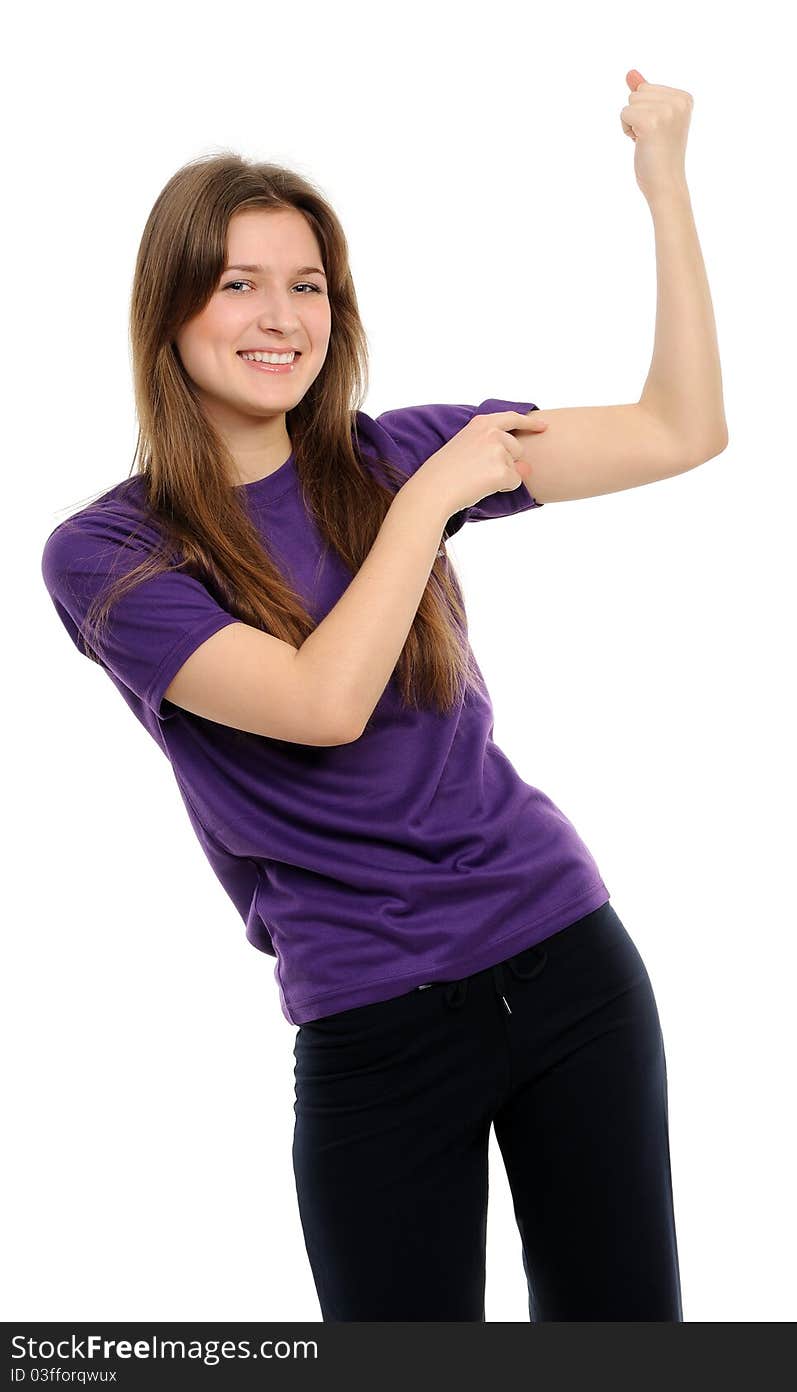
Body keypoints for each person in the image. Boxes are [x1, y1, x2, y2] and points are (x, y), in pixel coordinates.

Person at [41, 152, 683, 1322]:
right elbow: (319, 703)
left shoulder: (391, 455)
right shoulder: (108, 553)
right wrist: (430, 504)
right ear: (169, 306)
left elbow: (680, 429)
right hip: (374, 1019)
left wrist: (667, 182)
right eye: (238, 284)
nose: (281, 318)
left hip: (568, 962)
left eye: (311, 285)